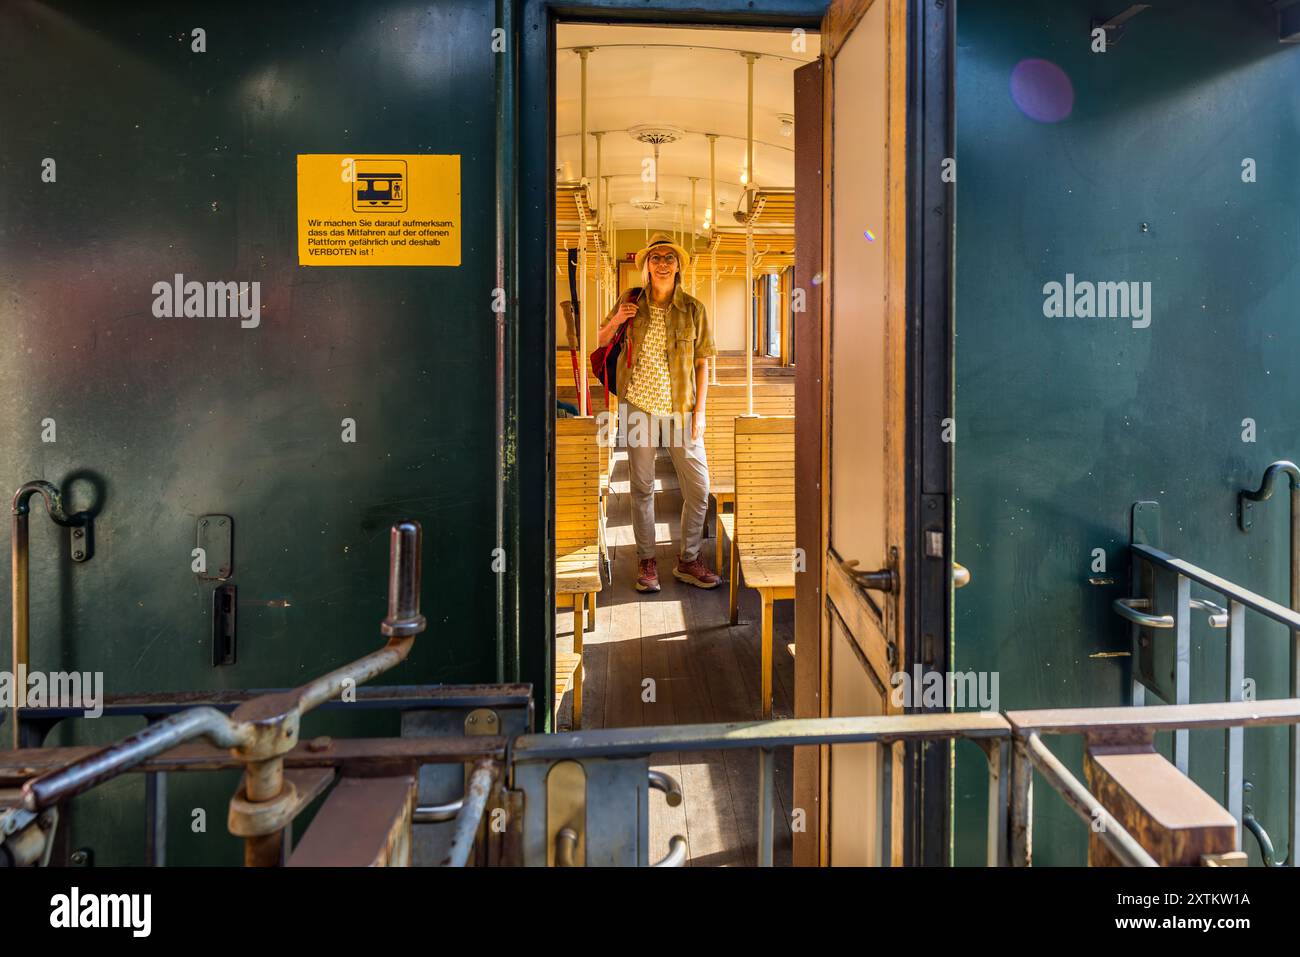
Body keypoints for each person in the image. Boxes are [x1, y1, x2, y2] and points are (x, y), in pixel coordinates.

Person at [596, 233, 720, 593]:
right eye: (656, 258)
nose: (663, 263)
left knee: (699, 488)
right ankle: (647, 560)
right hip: (639, 408)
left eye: (669, 258)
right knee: (642, 486)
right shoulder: (630, 301)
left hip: (682, 410)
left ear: (678, 265)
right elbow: (602, 340)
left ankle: (688, 559)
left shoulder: (694, 309)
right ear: (647, 266)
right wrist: (618, 317)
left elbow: (702, 364)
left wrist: (701, 412)